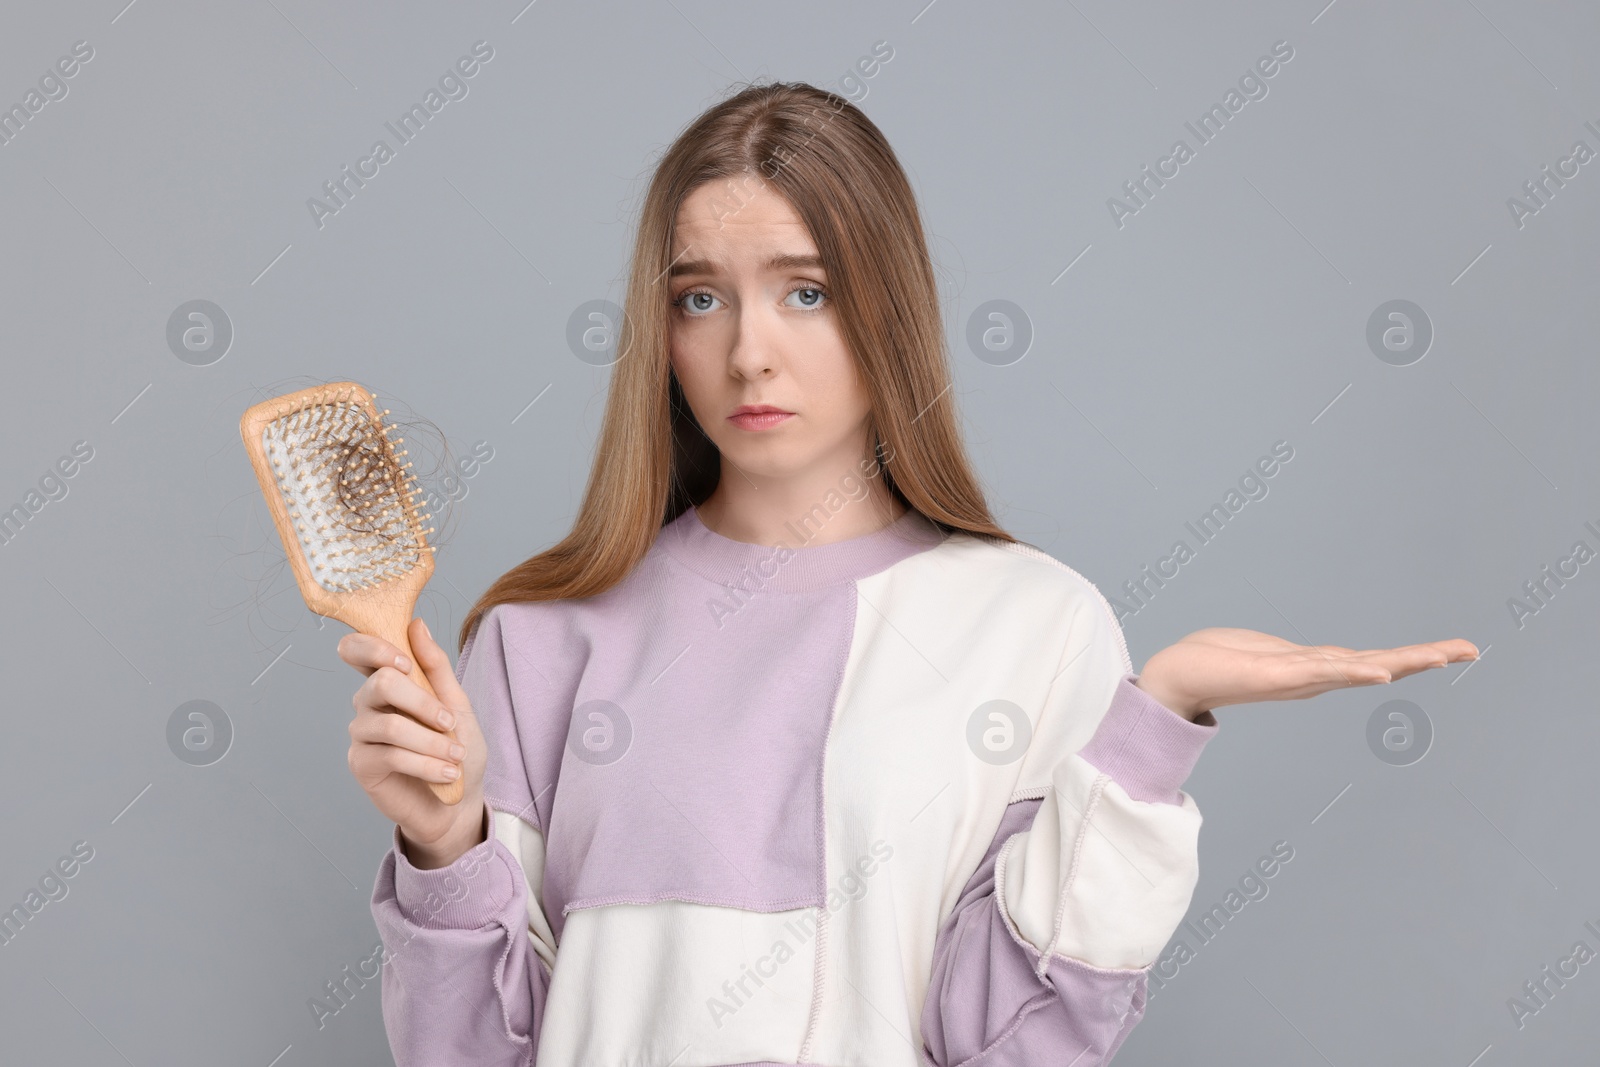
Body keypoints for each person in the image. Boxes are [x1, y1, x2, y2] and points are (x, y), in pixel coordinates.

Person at [337, 81, 1477, 1066]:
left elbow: (1013, 1039)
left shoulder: (1035, 624)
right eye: (699, 297)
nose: (748, 348)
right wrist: (447, 843)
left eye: (806, 289)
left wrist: (1157, 722)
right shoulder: (543, 638)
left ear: (890, 304)